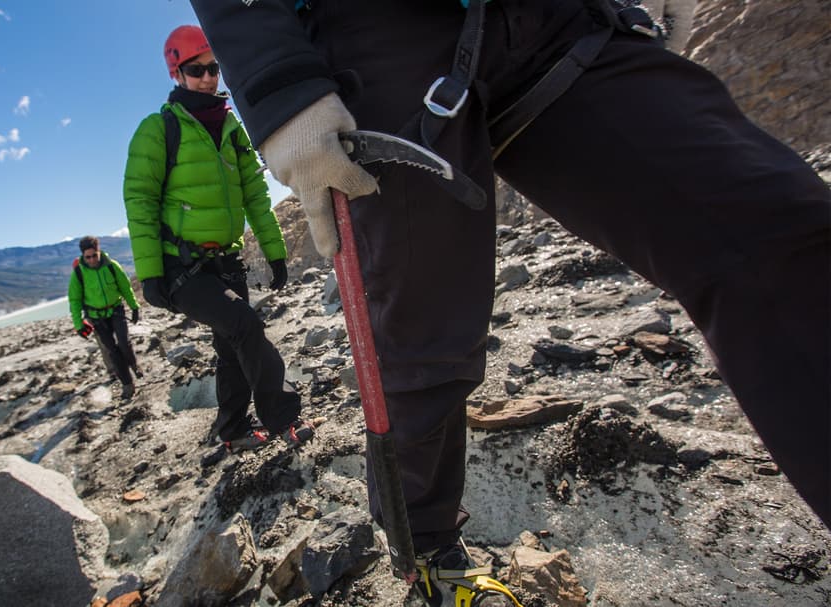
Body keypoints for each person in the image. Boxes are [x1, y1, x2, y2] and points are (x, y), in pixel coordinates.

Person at [185, 0, 831, 601]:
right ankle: (428, 553)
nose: (203, 77)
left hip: (562, 19)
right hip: (372, 31)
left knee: (779, 236)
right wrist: (279, 85)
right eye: (194, 70)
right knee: (424, 334)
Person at [122, 25, 315, 453]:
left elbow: (255, 196)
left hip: (226, 262)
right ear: (177, 73)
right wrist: (151, 274)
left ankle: (233, 430)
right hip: (181, 267)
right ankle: (283, 416)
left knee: (231, 347)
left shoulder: (231, 127)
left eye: (214, 68)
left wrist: (275, 251)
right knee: (245, 326)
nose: (208, 78)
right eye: (196, 70)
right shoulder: (157, 130)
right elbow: (140, 202)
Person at [68, 236, 142, 400]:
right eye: (88, 257)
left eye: (94, 255)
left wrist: (134, 307)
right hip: (97, 317)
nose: (92, 260)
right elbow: (74, 300)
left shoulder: (112, 266)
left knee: (124, 342)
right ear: (83, 256)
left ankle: (134, 364)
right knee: (112, 351)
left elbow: (125, 287)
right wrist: (78, 324)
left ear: (99, 252)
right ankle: (127, 384)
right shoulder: (79, 273)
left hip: (116, 310)